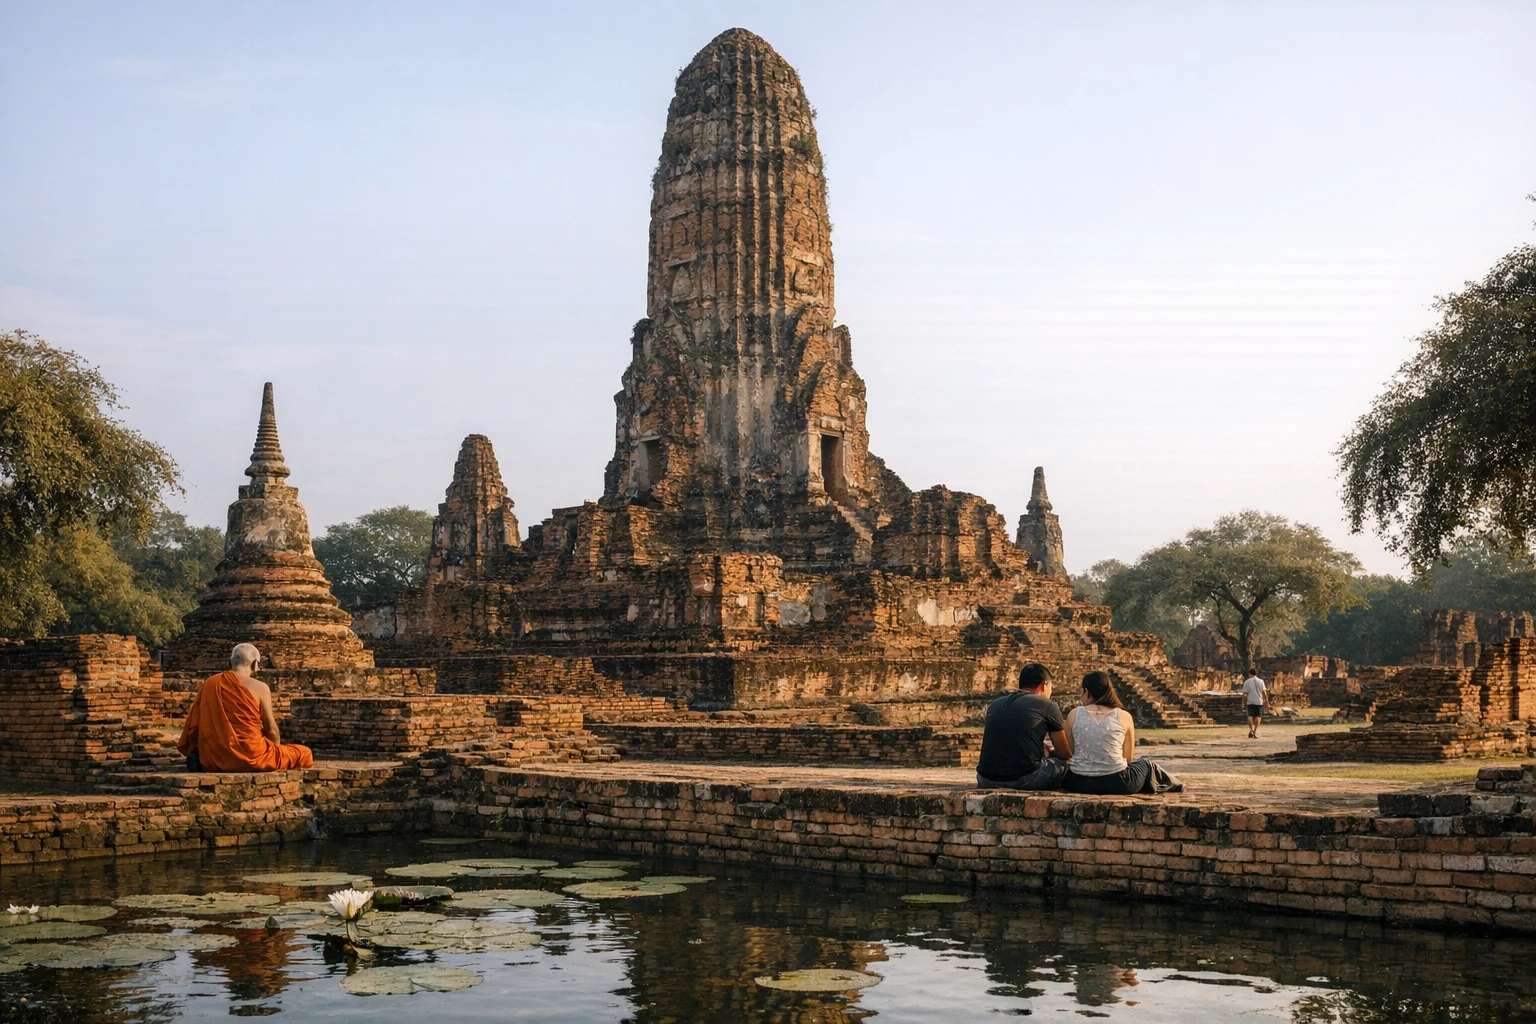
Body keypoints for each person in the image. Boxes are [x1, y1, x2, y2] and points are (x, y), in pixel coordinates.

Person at [178, 643, 314, 771]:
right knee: (304, 753)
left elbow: (194, 727)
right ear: (255, 664)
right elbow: (270, 728)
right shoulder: (260, 687)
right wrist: (274, 750)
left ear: (230, 662)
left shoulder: (210, 683)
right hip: (251, 756)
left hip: (213, 758)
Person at [1063, 671, 1182, 795]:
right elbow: (1128, 758)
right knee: (1146, 764)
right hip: (1118, 783)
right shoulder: (1124, 716)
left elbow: (1071, 752)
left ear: (1086, 692)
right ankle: (1175, 783)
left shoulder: (1074, 715)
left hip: (1078, 782)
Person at [975, 662, 1071, 790]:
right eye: (1051, 687)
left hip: (985, 779)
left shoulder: (996, 703)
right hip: (1026, 778)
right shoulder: (1047, 705)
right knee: (1067, 766)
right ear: (1044, 685)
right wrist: (1050, 752)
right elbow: (1064, 754)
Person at [1242, 669, 1268, 738]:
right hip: (1259, 701)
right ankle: (1255, 731)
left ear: (1250, 674)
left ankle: (1251, 730)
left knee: (1250, 716)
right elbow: (1264, 692)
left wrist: (1243, 703)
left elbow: (1244, 694)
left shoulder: (1247, 682)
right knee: (1258, 717)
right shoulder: (1261, 681)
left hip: (1250, 701)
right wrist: (1266, 701)